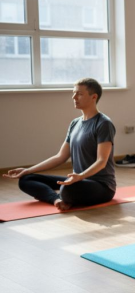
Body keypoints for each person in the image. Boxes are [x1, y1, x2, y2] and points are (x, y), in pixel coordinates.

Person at [3, 78, 116, 211]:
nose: (74, 97)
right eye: (73, 93)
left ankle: (62, 196)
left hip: (101, 185)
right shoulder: (75, 123)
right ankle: (57, 200)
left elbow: (102, 161)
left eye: (79, 94)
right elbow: (60, 157)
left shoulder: (103, 123)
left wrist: (80, 176)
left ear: (94, 97)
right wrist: (28, 170)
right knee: (26, 179)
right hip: (77, 180)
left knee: (67, 188)